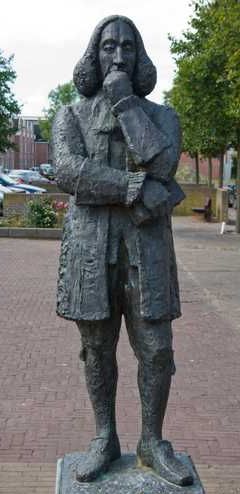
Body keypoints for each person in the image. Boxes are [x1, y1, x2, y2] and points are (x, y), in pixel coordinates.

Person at [52, 15, 193, 487]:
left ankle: (152, 440)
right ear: (94, 54)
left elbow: (164, 162)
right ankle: (104, 437)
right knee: (96, 349)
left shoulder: (162, 116)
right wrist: (134, 185)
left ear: (140, 57)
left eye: (127, 48)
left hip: (147, 248)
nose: (117, 55)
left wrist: (125, 102)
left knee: (156, 349)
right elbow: (70, 173)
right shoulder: (70, 115)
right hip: (92, 248)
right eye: (108, 46)